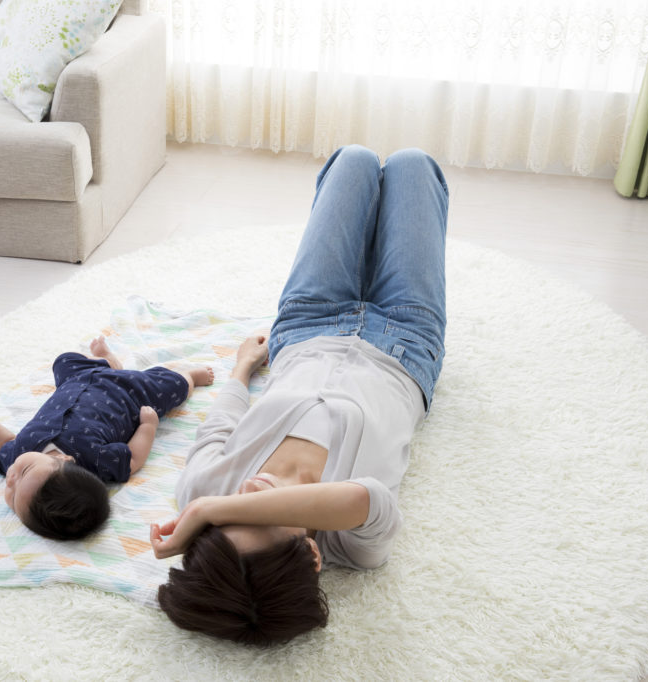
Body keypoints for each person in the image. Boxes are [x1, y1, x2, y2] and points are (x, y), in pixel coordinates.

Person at [150, 145, 448, 645]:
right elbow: (368, 498)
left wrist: (242, 370)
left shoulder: (203, 495)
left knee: (351, 161)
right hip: (407, 340)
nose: (242, 498)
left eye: (223, 519)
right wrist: (208, 515)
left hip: (309, 322)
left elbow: (217, 428)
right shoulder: (352, 545)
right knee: (415, 165)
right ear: (310, 557)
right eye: (258, 516)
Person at [0, 335, 214, 541]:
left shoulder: (17, 455)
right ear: (67, 460)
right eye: (14, 499)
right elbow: (134, 459)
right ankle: (191, 376)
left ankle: (107, 361)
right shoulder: (98, 459)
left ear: (63, 457)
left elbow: (3, 443)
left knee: (63, 360)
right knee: (172, 387)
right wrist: (148, 426)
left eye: (15, 483)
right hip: (129, 393)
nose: (11, 478)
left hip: (77, 380)